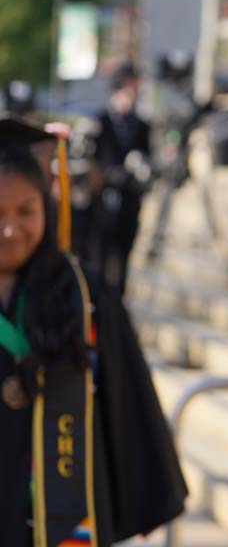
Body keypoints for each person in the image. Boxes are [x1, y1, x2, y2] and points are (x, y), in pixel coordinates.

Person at [0, 115, 186, 547]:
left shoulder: (79, 291)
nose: (11, 229)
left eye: (26, 211)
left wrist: (146, 489)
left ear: (46, 207)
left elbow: (124, 390)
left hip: (58, 512)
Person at [90, 65, 151, 297]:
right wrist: (108, 174)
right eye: (129, 87)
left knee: (123, 260)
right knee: (100, 261)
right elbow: (92, 161)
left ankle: (118, 310)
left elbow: (147, 156)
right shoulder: (100, 122)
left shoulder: (142, 125)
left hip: (130, 201)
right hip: (104, 203)